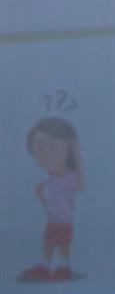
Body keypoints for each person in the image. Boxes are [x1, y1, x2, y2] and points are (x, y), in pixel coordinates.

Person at [21, 115, 83, 282]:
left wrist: (78, 155)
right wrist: (46, 205)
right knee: (49, 243)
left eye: (52, 146)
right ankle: (47, 267)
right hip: (55, 218)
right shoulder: (51, 176)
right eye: (39, 149)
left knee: (62, 245)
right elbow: (38, 190)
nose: (45, 154)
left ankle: (64, 268)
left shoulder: (70, 176)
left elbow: (79, 186)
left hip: (64, 219)